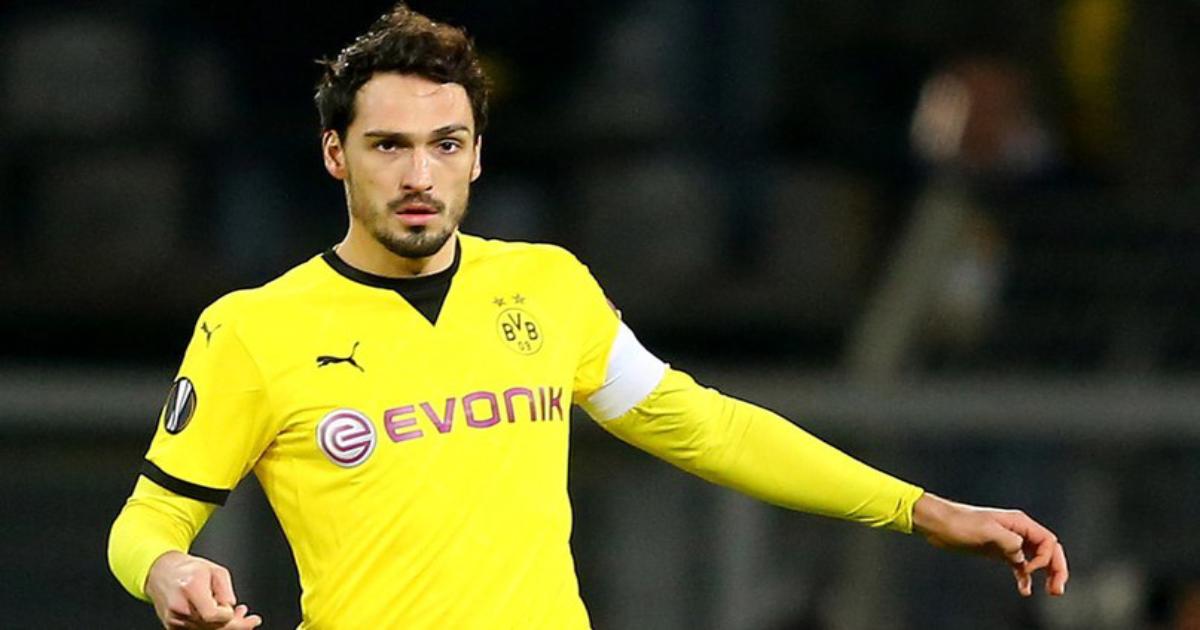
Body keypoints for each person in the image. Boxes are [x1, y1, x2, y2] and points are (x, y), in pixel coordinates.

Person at [107, 4, 1068, 629]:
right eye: (388, 145)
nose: (419, 174)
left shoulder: (547, 286)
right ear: (334, 154)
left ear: (477, 155)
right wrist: (167, 573)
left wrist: (921, 509)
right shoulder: (255, 329)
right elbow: (148, 518)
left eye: (446, 144)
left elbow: (707, 427)